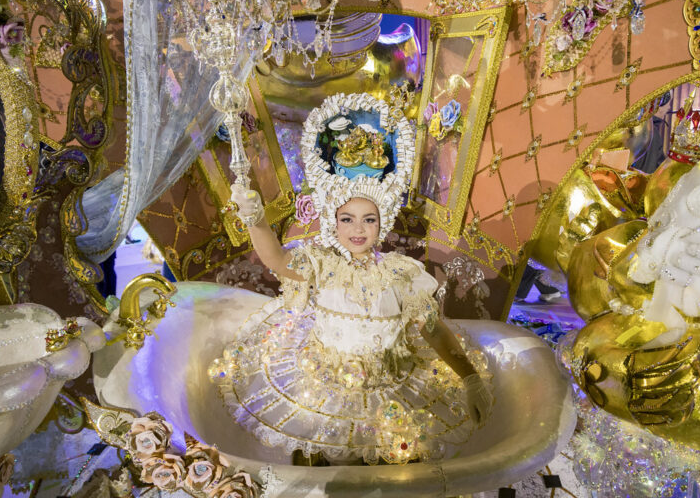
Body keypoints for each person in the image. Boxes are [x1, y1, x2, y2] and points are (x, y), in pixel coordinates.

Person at [208, 92, 493, 465]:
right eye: (347, 219)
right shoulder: (322, 264)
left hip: (391, 392)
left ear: (382, 222)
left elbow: (433, 330)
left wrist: (469, 379)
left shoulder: (401, 273)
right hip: (324, 386)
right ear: (333, 221)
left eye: (368, 219)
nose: (358, 229)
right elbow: (276, 261)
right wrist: (256, 219)